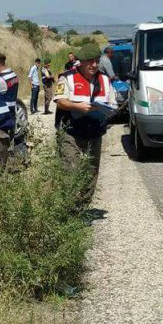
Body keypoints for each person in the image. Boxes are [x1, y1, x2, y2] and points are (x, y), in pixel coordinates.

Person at [53, 44, 116, 209]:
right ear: (80, 62)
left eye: (96, 61)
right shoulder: (66, 77)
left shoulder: (104, 79)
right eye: (90, 62)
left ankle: (82, 208)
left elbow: (112, 103)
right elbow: (60, 102)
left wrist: (109, 110)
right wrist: (77, 106)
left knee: (91, 170)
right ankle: (69, 208)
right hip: (70, 132)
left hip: (95, 131)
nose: (94, 65)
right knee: (70, 169)